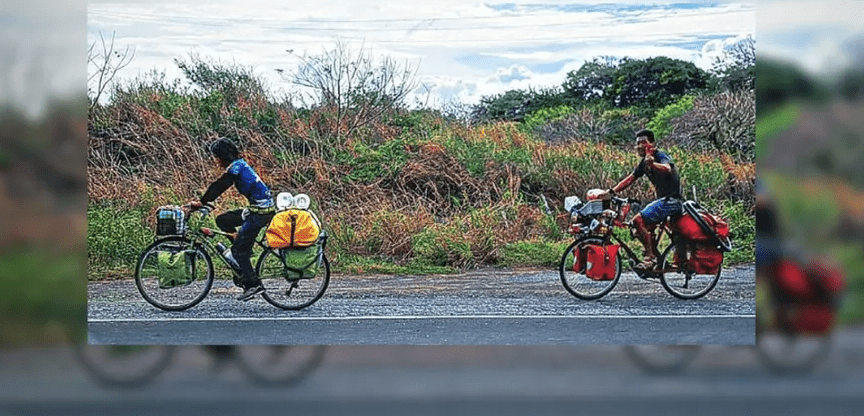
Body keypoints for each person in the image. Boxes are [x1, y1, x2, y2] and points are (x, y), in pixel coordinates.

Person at [188, 137, 275, 301]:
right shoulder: (238, 165)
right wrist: (206, 201)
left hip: (261, 212)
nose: (216, 161)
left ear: (223, 156)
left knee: (239, 251)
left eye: (217, 157)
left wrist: (203, 202)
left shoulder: (236, 167)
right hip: (256, 209)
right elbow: (220, 185)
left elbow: (220, 185)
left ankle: (253, 284)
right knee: (223, 221)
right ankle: (242, 258)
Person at [603, 129, 682, 270]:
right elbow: (630, 179)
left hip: (672, 201)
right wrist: (611, 191)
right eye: (637, 143)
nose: (640, 146)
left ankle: (649, 258)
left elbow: (667, 168)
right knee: (637, 228)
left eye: (643, 143)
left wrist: (653, 164)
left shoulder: (660, 156)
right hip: (663, 201)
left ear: (652, 144)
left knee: (637, 220)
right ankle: (658, 258)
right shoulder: (643, 163)